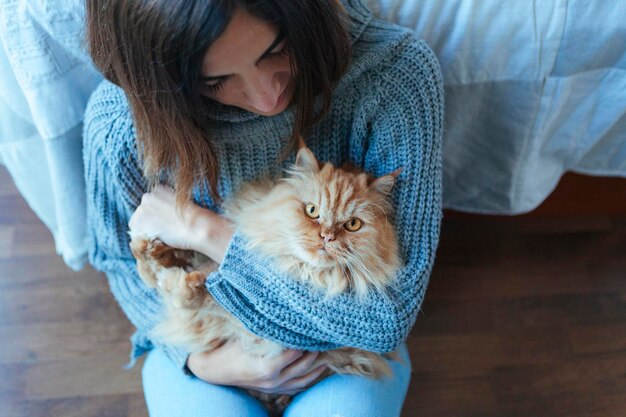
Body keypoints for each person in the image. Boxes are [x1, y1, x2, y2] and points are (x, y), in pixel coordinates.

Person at [83, 0, 443, 415]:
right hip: (203, 343)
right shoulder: (120, 123)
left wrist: (210, 234)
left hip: (345, 355)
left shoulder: (393, 74)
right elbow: (118, 262)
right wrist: (205, 363)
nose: (267, 97)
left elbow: (384, 320)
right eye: (216, 81)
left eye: (275, 51)